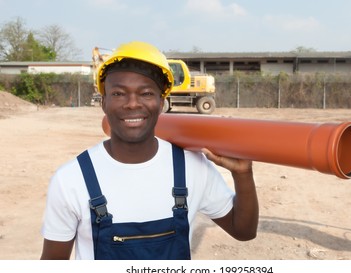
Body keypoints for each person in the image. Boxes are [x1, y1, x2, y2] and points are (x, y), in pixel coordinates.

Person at [40, 41, 259, 260]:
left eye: (145, 93)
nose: (132, 104)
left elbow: (243, 231)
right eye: (118, 94)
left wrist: (242, 175)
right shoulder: (70, 179)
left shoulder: (191, 167)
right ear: (103, 103)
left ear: (161, 101)